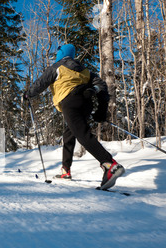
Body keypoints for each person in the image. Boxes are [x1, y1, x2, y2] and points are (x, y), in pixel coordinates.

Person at [23, 44, 125, 190]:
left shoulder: (57, 67)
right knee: (69, 134)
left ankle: (109, 164)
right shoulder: (85, 70)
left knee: (82, 134)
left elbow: (41, 83)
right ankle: (66, 170)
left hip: (69, 102)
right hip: (86, 102)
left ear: (61, 53)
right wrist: (101, 111)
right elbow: (101, 86)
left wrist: (28, 94)